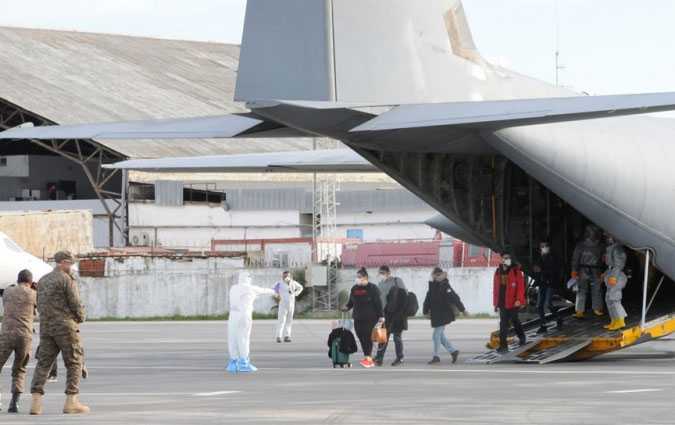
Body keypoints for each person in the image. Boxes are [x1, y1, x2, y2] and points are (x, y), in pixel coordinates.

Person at [30, 250, 88, 415]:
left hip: (46, 327)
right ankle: (71, 401)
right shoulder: (66, 279)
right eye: (70, 263)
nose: (71, 266)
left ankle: (36, 404)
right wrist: (81, 317)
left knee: (43, 364)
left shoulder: (43, 280)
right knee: (74, 362)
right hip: (65, 327)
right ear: (63, 262)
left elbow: (39, 304)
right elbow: (75, 303)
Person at [0, 270, 37, 413]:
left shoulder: (8, 292)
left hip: (7, 334)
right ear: (30, 281)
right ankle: (14, 403)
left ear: (18, 279)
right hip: (24, 336)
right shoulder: (33, 294)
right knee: (20, 368)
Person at [227, 271, 276, 373]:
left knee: (232, 337)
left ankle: (233, 362)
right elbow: (264, 290)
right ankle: (244, 363)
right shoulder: (251, 288)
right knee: (243, 337)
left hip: (233, 315)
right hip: (244, 315)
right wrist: (275, 290)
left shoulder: (233, 288)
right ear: (248, 278)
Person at [342, 268, 383, 368]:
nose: (357, 279)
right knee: (361, 337)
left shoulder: (373, 288)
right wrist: (346, 307)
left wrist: (381, 316)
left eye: (359, 277)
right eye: (357, 277)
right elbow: (351, 302)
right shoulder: (354, 288)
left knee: (368, 337)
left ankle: (368, 358)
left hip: (370, 318)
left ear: (365, 278)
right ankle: (367, 356)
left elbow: (378, 303)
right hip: (357, 317)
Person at [423, 267, 465, 364]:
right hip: (436, 314)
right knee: (440, 336)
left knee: (436, 335)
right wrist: (425, 311)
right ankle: (453, 351)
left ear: (439, 275)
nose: (433, 276)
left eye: (435, 275)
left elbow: (454, 297)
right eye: (433, 275)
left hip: (444, 314)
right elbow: (428, 299)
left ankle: (436, 356)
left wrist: (463, 309)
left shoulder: (445, 285)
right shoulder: (432, 285)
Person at [374, 265, 407, 367]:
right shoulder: (380, 284)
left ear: (388, 273)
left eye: (382, 273)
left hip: (397, 314)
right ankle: (379, 358)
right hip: (384, 314)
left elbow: (405, 296)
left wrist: (401, 312)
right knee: (382, 337)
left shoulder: (397, 281)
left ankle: (399, 357)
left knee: (397, 337)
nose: (381, 275)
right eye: (380, 273)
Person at [493, 254, 527, 354]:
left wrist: (519, 300)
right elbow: (496, 289)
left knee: (515, 320)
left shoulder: (516, 271)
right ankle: (503, 346)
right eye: (504, 258)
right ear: (502, 259)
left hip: (513, 303)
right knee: (503, 324)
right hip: (502, 303)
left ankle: (522, 337)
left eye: (508, 258)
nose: (506, 260)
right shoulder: (498, 271)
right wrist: (496, 304)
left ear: (511, 260)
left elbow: (521, 288)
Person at [571, 225, 606, 318]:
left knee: (595, 290)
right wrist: (574, 270)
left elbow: (605, 259)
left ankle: (595, 308)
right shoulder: (581, 245)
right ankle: (580, 310)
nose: (592, 234)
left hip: (594, 269)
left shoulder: (600, 246)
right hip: (585, 269)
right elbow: (575, 259)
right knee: (583, 290)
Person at [532, 241, 563, 334]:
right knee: (539, 306)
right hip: (542, 284)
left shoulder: (553, 258)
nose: (545, 248)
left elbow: (554, 271)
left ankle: (558, 317)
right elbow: (537, 271)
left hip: (550, 283)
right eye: (543, 246)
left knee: (548, 304)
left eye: (546, 246)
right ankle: (543, 325)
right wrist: (534, 284)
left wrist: (542, 271)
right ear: (540, 248)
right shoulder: (539, 258)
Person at [603, 234, 628, 331]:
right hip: (611, 274)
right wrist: (605, 274)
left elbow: (619, 264)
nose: (607, 238)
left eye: (608, 236)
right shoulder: (611, 248)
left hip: (617, 276)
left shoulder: (617, 249)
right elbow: (611, 265)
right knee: (609, 299)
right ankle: (614, 320)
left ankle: (621, 321)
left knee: (615, 299)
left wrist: (614, 276)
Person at [273, 271, 304, 343]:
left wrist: (295, 293)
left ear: (290, 276)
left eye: (287, 276)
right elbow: (274, 290)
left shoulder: (293, 283)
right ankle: (278, 336)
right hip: (283, 304)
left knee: (289, 321)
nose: (285, 277)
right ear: (282, 276)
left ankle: (287, 336)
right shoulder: (279, 283)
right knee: (281, 320)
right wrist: (277, 296)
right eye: (284, 276)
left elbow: (300, 288)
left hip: (291, 304)